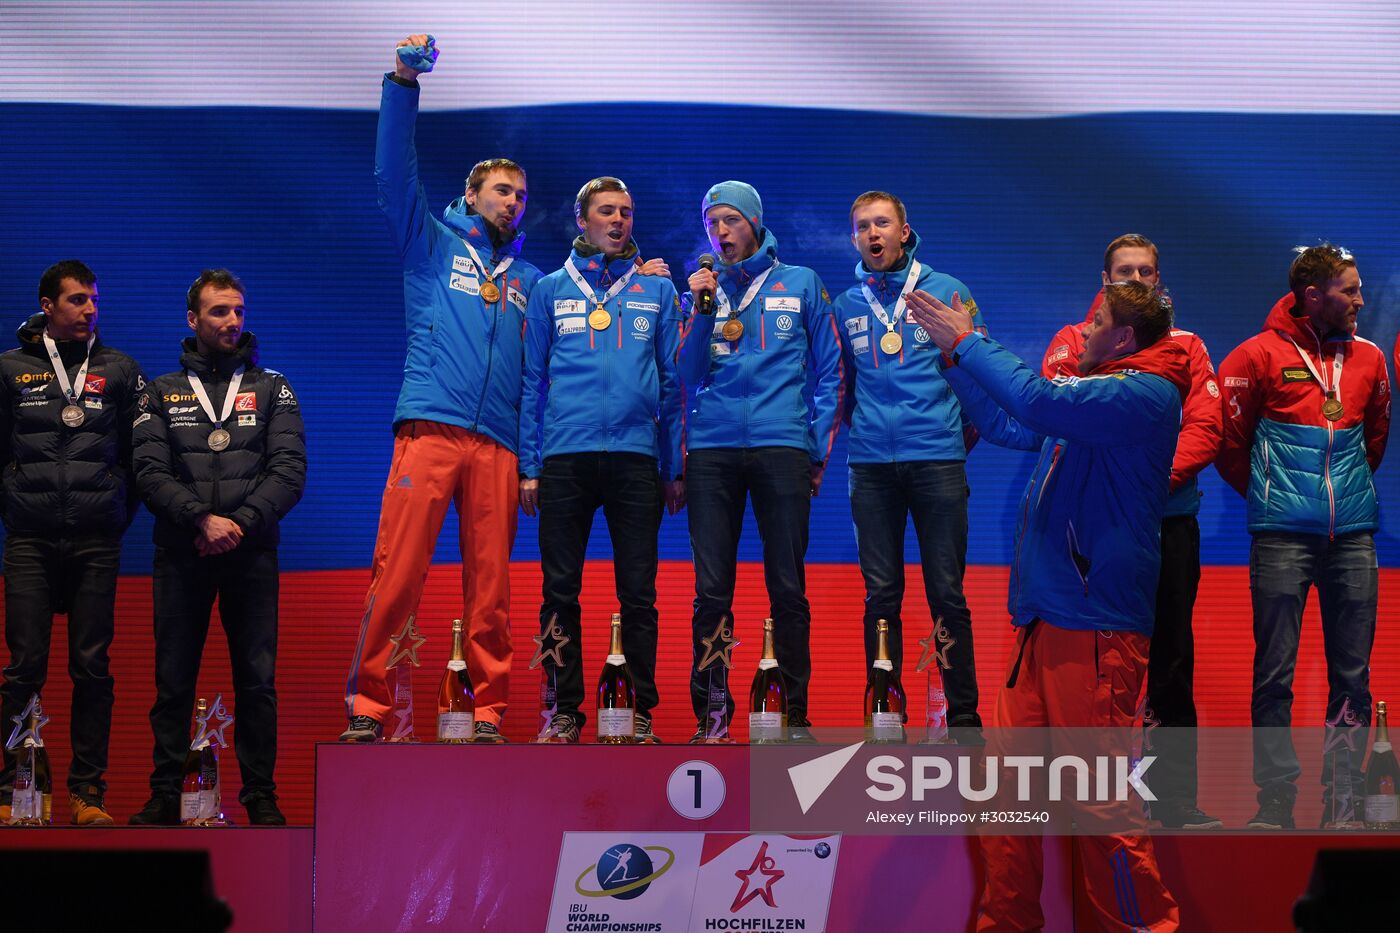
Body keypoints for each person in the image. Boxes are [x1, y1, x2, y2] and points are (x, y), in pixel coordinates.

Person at [909, 280, 1185, 931]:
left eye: (1094, 322)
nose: (1080, 331)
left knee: (1101, 804)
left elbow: (1033, 399)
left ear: (1121, 336)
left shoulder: (1144, 395)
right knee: (1006, 800)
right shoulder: (1093, 400)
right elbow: (1012, 419)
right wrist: (951, 358)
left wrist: (967, 340)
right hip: (1041, 624)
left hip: (1094, 632)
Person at [341, 34, 543, 744]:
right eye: (501, 190)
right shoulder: (430, 246)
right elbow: (393, 176)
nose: (512, 202)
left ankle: (487, 712)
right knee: (397, 576)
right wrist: (402, 81)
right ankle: (370, 709)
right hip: (429, 428)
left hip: (497, 448)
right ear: (471, 195)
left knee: (492, 591)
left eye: (520, 195)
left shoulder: (530, 283)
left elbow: (551, 370)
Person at [1041, 233, 1223, 828]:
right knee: (1094, 663)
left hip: (1168, 523)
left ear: (1160, 281)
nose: (1136, 282)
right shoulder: (1074, 341)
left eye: (1146, 272)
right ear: (1104, 279)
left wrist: (1152, 479)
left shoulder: (1188, 346)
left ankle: (1173, 799)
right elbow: (1057, 412)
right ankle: (1089, 798)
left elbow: (1205, 425)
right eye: (1124, 273)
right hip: (1095, 532)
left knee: (1171, 657)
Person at [1216, 243, 1390, 830]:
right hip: (1281, 538)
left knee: (1352, 678)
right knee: (1274, 675)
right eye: (1350, 289)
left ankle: (1343, 802)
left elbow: (1375, 442)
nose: (1361, 298)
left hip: (1354, 540)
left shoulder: (1370, 358)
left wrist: (1341, 499)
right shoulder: (1255, 355)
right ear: (1314, 296)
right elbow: (1230, 446)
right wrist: (1276, 500)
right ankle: (1276, 804)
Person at [129, 269, 306, 826]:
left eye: (237, 311)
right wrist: (202, 520)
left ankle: (260, 794)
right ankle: (165, 793)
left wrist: (238, 524)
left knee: (257, 680)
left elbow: (290, 471)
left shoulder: (273, 387)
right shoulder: (157, 391)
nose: (232, 322)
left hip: (250, 554)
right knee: (173, 679)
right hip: (182, 553)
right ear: (192, 320)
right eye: (218, 312)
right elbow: (149, 471)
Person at [677, 180, 844, 743]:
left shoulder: (801, 283)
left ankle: (793, 714)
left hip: (781, 447)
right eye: (711, 223)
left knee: (787, 586)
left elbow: (832, 372)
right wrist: (699, 310)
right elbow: (686, 375)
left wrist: (814, 447)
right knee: (711, 591)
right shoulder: (703, 289)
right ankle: (713, 715)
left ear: (754, 222)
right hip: (712, 451)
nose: (719, 232)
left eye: (730, 221)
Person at [519, 177, 683, 744]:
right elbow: (529, 382)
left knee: (639, 593)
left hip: (636, 460)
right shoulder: (547, 291)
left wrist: (671, 466)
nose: (619, 221)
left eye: (627, 213)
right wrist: (530, 464)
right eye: (607, 212)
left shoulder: (657, 292)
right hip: (566, 458)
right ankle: (563, 710)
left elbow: (670, 385)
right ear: (581, 219)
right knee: (559, 591)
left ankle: (638, 711)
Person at [831, 191, 984, 741]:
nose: (873, 234)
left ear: (903, 231)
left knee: (947, 592)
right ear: (855, 239)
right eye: (862, 227)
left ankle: (963, 716)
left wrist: (944, 438)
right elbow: (839, 388)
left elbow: (977, 375)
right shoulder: (846, 304)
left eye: (882, 224)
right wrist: (872, 433)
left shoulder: (947, 291)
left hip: (937, 461)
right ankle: (885, 714)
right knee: (880, 597)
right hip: (871, 468)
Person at [0, 260, 145, 826]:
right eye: (77, 300)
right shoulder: (9, 370)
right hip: (30, 541)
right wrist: (16, 509)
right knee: (24, 669)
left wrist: (110, 516)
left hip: (94, 542)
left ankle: (88, 794)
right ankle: (20, 792)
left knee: (92, 668)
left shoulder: (120, 370)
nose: (89, 310)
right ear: (47, 306)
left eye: (93, 300)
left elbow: (138, 463)